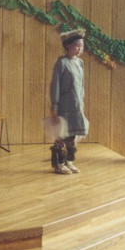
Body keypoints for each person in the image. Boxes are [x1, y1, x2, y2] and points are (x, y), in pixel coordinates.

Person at [49, 29, 89, 175]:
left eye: (81, 46)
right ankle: (59, 163)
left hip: (76, 107)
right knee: (62, 135)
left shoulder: (80, 63)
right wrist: (54, 105)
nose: (79, 49)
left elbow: (81, 85)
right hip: (64, 106)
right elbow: (55, 85)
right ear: (68, 46)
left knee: (72, 135)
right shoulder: (61, 63)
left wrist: (81, 103)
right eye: (77, 46)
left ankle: (69, 160)